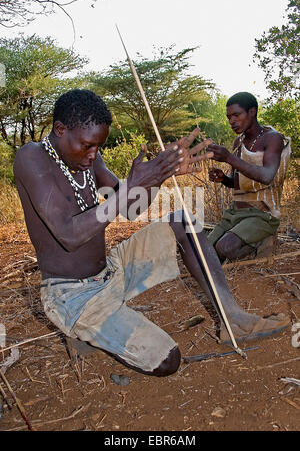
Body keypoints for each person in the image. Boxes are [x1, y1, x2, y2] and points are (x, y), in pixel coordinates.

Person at [14, 89, 289, 377]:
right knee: (168, 360)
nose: (93, 154)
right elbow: (68, 234)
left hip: (112, 271)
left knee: (183, 221)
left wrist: (160, 174)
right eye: (87, 145)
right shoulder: (32, 158)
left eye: (98, 147)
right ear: (60, 130)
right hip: (73, 296)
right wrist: (133, 185)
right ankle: (86, 330)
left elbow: (132, 208)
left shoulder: (90, 159)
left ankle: (234, 319)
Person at [207, 92, 290, 262]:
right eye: (229, 117)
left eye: (236, 115)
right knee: (206, 251)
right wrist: (224, 179)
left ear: (252, 111)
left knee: (224, 248)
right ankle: (244, 240)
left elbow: (267, 176)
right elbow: (237, 182)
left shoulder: (272, 139)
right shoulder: (239, 142)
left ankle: (262, 246)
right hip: (235, 213)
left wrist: (229, 157)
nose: (232, 121)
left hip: (263, 214)